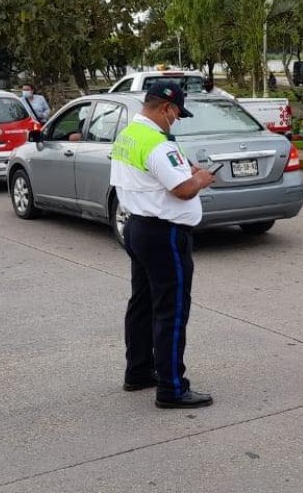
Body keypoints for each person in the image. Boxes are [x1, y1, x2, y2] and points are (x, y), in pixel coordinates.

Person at [110, 81, 216, 409]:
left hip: (138, 228)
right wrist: (200, 178)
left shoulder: (129, 135)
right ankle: (171, 387)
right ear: (166, 108)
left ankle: (139, 371)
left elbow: (154, 175)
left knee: (142, 303)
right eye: (177, 115)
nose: (176, 121)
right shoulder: (157, 143)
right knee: (171, 310)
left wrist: (186, 171)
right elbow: (183, 190)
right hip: (165, 234)